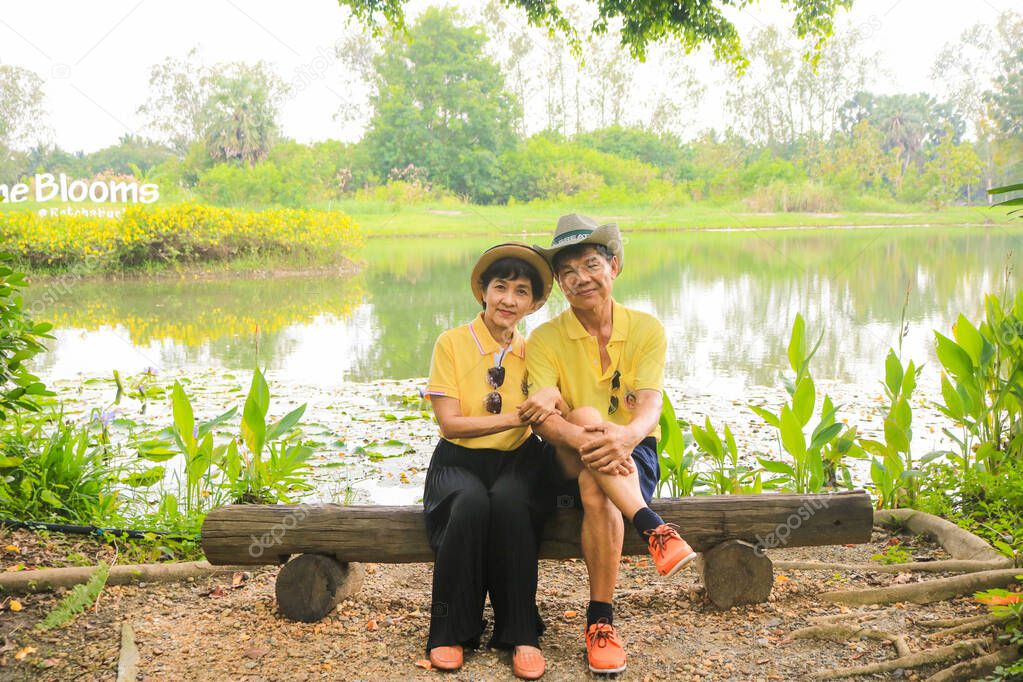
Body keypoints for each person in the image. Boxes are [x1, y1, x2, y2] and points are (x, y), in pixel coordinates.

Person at [518, 214, 697, 675]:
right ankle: (653, 526)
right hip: (566, 453)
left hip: (631, 454)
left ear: (614, 266)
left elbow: (650, 407)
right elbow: (544, 423)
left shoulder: (646, 328)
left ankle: (600, 623)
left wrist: (628, 437)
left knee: (598, 490)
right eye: (568, 272)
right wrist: (594, 438)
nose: (582, 279)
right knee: (587, 417)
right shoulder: (543, 339)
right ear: (559, 283)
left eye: (591, 264)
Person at [421, 242, 561, 680]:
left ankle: (521, 633)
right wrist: (517, 416)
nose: (508, 300)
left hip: (518, 461)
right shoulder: (452, 343)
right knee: (470, 504)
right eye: (500, 287)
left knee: (510, 503)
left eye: (522, 292)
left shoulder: (533, 349)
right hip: (458, 462)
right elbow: (451, 425)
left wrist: (553, 394)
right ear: (483, 290)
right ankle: (450, 631)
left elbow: (557, 390)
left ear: (533, 303)